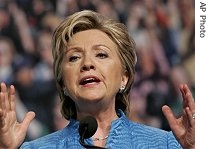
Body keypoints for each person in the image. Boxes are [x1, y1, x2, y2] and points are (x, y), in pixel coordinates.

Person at [0, 10, 195, 149]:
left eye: (101, 55)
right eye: (74, 57)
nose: (87, 64)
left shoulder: (166, 144)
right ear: (63, 84)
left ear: (124, 78)